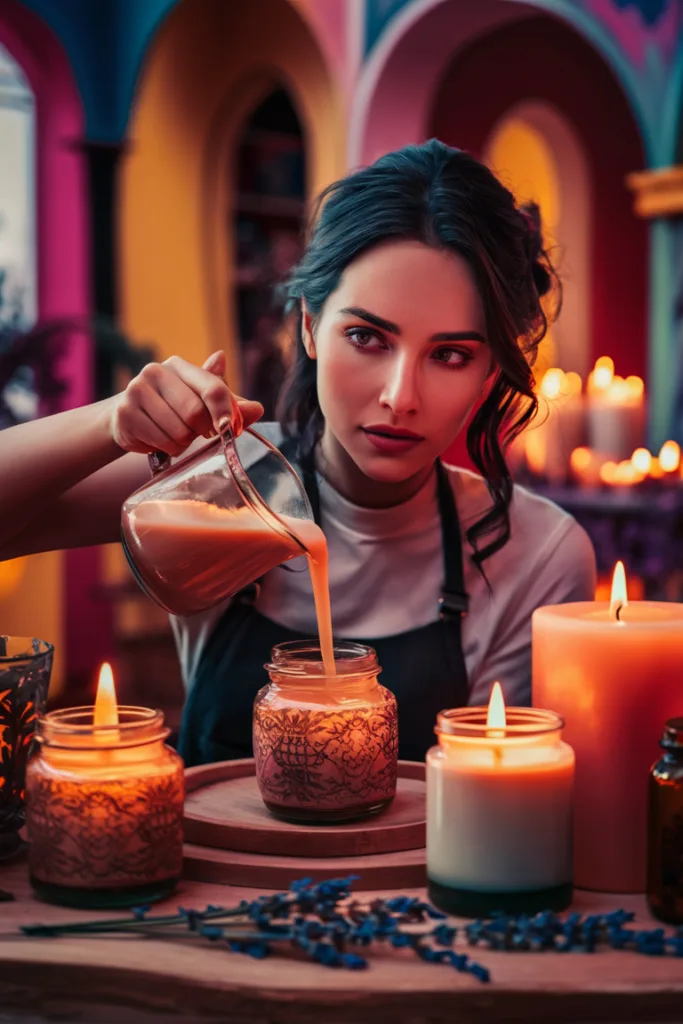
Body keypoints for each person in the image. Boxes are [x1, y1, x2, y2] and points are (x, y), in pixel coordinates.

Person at [0, 140, 596, 764]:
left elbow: (503, 812)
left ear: (493, 368)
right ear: (310, 325)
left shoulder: (535, 553)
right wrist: (106, 424)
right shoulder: (219, 481)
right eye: (367, 337)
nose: (401, 397)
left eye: (450, 354)